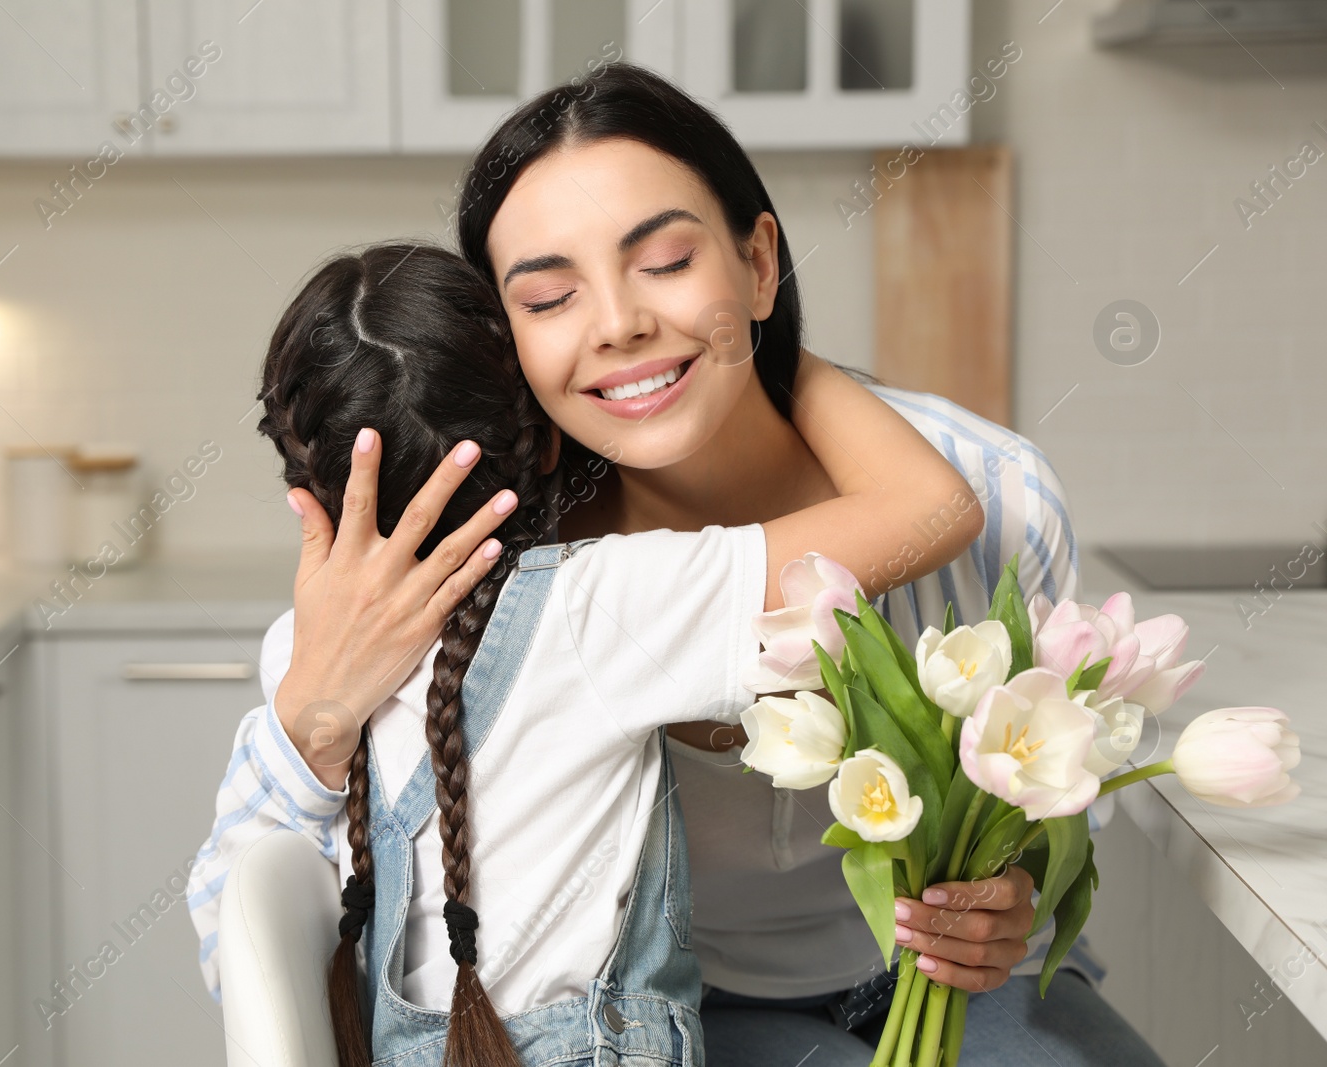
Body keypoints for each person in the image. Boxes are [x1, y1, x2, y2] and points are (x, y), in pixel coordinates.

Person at [446, 63, 1164, 1065]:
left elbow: (1059, 770)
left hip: (962, 982)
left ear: (756, 260)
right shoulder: (525, 568)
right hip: (696, 1002)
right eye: (551, 296)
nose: (616, 323)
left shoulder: (996, 493)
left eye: (663, 261)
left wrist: (1014, 892)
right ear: (506, 343)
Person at [188, 241, 982, 1066]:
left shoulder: (296, 653)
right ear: (548, 443)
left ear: (302, 485)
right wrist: (757, 338)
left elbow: (238, 949)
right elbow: (931, 507)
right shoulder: (603, 602)